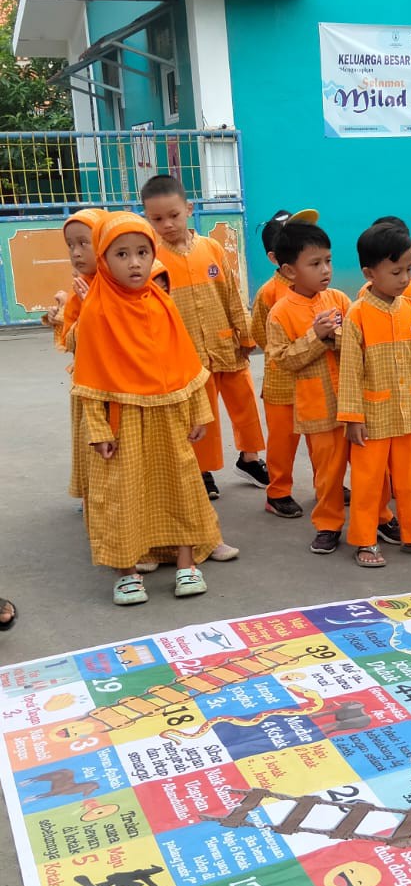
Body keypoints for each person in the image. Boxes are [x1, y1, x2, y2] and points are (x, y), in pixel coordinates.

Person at [71, 212, 224, 605]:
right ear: (104, 260)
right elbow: (89, 383)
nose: (135, 262)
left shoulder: (162, 306)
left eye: (142, 252)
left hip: (169, 415)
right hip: (122, 422)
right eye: (121, 254)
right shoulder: (96, 312)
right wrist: (98, 430)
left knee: (182, 486)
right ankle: (127, 571)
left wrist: (199, 413)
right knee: (124, 494)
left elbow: (185, 362)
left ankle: (187, 563)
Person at [141, 174, 268, 500]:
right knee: (201, 413)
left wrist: (244, 334)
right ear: (146, 218)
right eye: (157, 219)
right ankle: (203, 470)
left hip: (226, 344)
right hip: (187, 355)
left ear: (189, 209)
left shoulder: (211, 248)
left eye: (173, 215)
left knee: (245, 406)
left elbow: (231, 295)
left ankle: (251, 458)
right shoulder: (151, 259)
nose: (167, 224)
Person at [339, 222, 411, 567]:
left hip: (408, 414)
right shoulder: (358, 314)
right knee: (369, 482)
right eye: (396, 271)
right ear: (369, 272)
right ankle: (364, 540)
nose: (405, 278)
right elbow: (349, 372)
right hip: (372, 420)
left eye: (408, 269)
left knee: (408, 480)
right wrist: (353, 419)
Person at [263, 222, 355, 555]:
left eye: (328, 261)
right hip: (317, 404)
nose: (326, 270)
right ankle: (328, 524)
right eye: (315, 264)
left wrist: (338, 337)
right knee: (329, 473)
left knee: (371, 465)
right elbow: (282, 360)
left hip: (354, 400)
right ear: (289, 270)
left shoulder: (340, 300)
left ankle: (379, 517)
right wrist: (315, 337)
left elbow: (360, 344)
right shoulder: (280, 313)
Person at [250, 208, 319, 519]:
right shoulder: (269, 293)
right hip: (281, 381)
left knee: (322, 440)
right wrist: (287, 353)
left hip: (317, 380)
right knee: (282, 441)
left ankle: (327, 485)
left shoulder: (321, 290)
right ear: (277, 257)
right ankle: (278, 491)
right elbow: (259, 332)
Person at [43, 208, 107, 504]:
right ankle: (93, 492)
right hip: (89, 381)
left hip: (124, 381)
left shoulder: (124, 284)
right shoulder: (81, 286)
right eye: (70, 245)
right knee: (91, 439)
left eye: (84, 242)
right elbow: (72, 340)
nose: (76, 252)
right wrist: (79, 309)